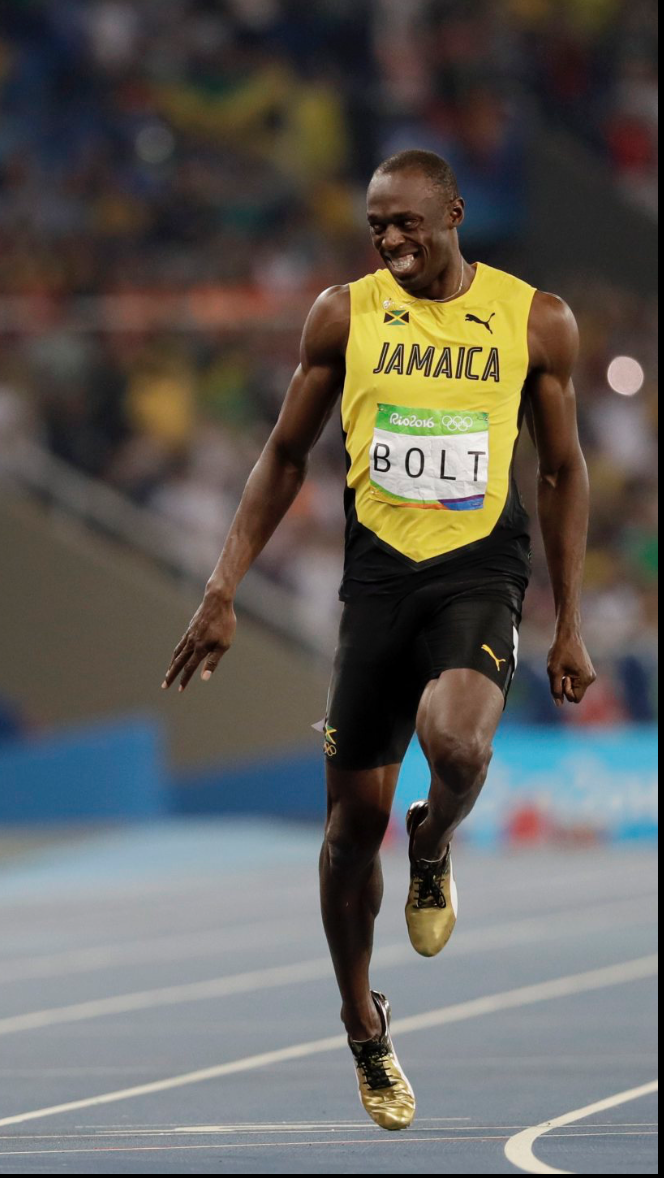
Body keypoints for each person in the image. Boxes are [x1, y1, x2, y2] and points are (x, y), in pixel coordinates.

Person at [162, 151, 595, 1130]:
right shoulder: (342, 315)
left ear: (454, 212)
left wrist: (569, 620)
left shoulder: (537, 319)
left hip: (480, 571)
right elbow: (281, 455)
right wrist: (222, 585)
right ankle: (363, 1021)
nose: (391, 241)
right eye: (375, 227)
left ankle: (434, 835)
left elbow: (564, 471)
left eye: (408, 223)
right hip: (378, 582)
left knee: (458, 742)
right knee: (347, 832)